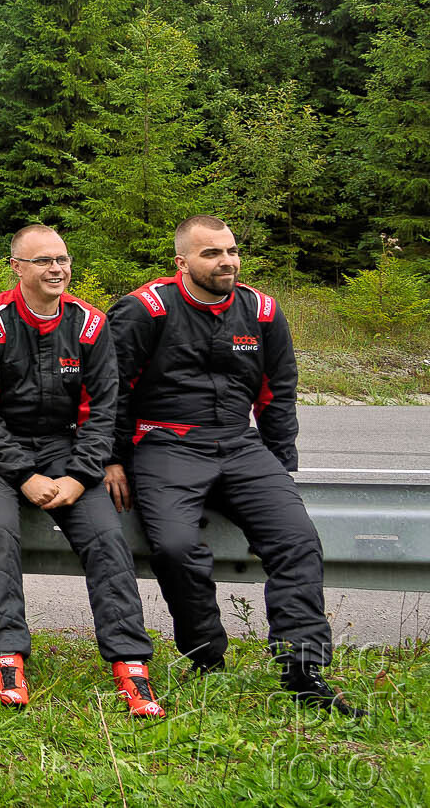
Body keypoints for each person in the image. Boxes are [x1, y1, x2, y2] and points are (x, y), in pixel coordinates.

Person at [105, 215, 364, 717]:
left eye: (231, 251)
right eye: (211, 253)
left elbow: (278, 391)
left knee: (297, 540)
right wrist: (112, 459)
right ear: (182, 262)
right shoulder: (145, 309)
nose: (227, 261)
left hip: (241, 446)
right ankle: (206, 657)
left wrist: (279, 464)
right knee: (176, 548)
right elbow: (111, 389)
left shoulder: (262, 310)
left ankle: (303, 669)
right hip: (165, 443)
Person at [0, 225, 163, 716]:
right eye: (44, 261)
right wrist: (24, 476)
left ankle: (131, 665)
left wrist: (79, 475)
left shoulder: (90, 323)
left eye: (62, 259)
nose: (57, 269)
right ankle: (8, 657)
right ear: (17, 267)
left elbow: (103, 410)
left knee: (107, 537)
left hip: (64, 448)